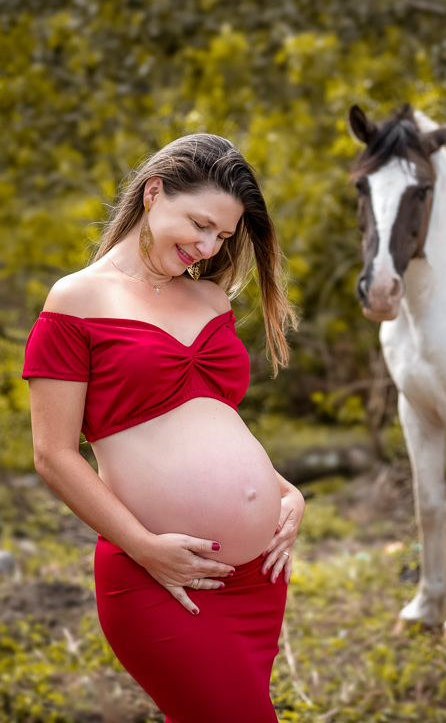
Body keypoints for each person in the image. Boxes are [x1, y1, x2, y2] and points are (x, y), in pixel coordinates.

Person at [22, 134, 305, 723]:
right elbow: (52, 454)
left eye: (222, 236)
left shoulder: (210, 298)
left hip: (257, 579)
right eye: (199, 223)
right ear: (154, 193)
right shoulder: (77, 299)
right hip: (163, 578)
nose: (206, 246)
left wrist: (283, 490)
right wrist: (144, 547)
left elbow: (211, 415)